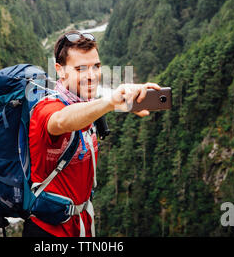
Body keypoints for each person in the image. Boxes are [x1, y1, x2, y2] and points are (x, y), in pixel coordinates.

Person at [22, 30, 161, 237]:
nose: (92, 76)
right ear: (60, 71)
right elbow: (62, 120)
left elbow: (87, 111)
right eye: (80, 69)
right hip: (48, 233)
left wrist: (120, 102)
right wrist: (110, 101)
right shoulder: (46, 108)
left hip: (81, 226)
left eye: (96, 66)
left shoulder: (87, 104)